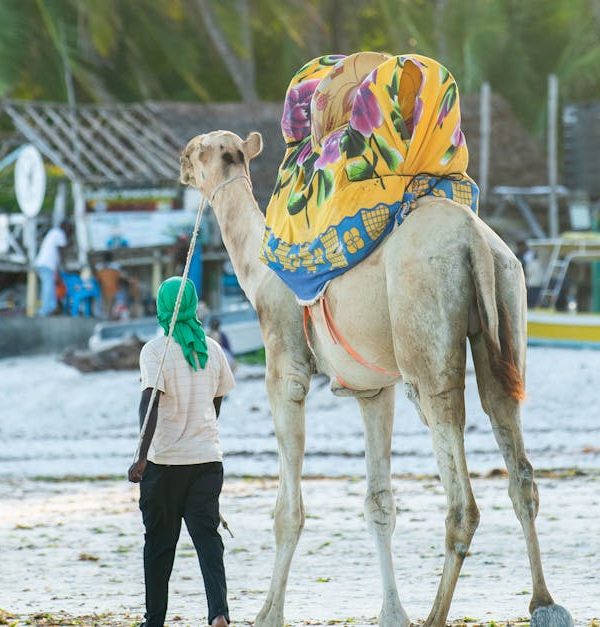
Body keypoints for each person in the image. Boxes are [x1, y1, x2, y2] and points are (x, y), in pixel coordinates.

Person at [128, 277, 234, 627]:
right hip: (207, 460)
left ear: (163, 306)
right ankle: (218, 612)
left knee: (159, 544)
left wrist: (142, 456)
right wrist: (199, 434)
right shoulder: (212, 349)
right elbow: (216, 401)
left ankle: (154, 620)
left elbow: (149, 404)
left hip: (165, 464)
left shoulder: (155, 352)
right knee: (207, 540)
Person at [34, 221, 71, 316]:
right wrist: (64, 265)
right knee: (48, 287)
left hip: (44, 264)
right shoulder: (59, 233)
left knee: (50, 287)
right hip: (46, 264)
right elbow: (61, 250)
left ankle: (50, 307)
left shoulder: (53, 232)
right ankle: (44, 310)